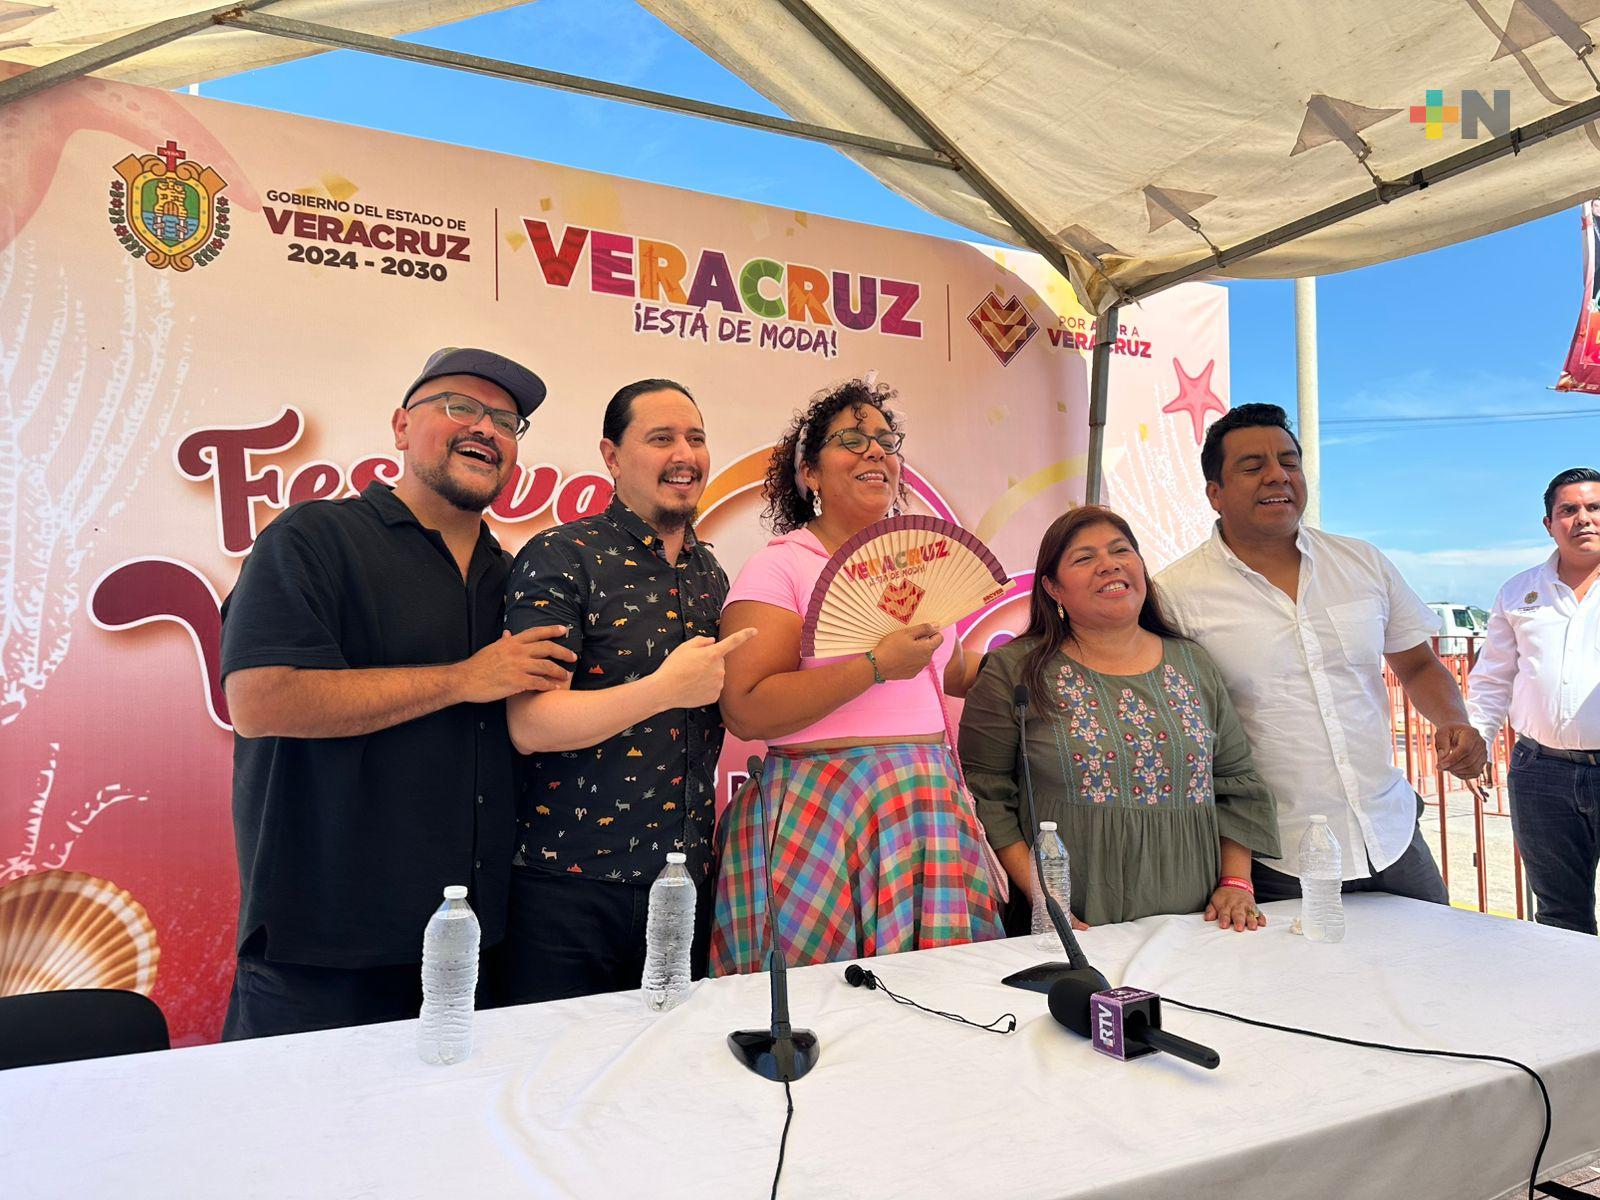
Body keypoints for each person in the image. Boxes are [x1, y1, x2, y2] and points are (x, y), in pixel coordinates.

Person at [219, 347, 575, 1039]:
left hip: (473, 952)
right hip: (322, 957)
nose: (485, 427)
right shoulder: (314, 539)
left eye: (505, 420)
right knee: (295, 1145)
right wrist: (466, 679)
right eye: (458, 407)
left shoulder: (521, 580)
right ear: (400, 427)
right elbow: (261, 701)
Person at [712, 377, 1006, 975]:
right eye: (850, 439)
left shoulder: (919, 561)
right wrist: (873, 667)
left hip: (926, 807)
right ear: (809, 474)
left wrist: (1032, 660)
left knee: (946, 1006)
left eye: (885, 439)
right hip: (824, 813)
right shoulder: (781, 566)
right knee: (824, 1016)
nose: (876, 451)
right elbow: (744, 707)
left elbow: (943, 671)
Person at [1156, 403, 1486, 905]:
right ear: (1214, 494)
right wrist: (1233, 874)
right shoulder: (1174, 595)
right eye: (1253, 466)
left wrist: (1453, 722)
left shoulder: (1361, 562)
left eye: (1289, 461)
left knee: (1442, 975)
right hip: (1275, 858)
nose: (1277, 476)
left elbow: (1417, 664)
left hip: (1391, 836)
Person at [502, 379, 750, 1003]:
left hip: (684, 884)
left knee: (667, 1083)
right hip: (569, 887)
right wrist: (664, 688)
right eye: (661, 438)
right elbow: (531, 724)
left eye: (696, 438)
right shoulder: (562, 556)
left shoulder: (710, 573)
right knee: (552, 1085)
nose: (685, 455)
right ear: (611, 456)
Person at [959, 506, 1280, 931]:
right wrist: (1045, 902)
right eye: (1084, 558)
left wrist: (1237, 883)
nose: (1108, 564)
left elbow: (1236, 781)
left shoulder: (1193, 662)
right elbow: (986, 796)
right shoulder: (1013, 670)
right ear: (1052, 587)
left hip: (1200, 925)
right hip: (1073, 926)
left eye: (1121, 550)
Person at [1466, 467, 1600, 933]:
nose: (1583, 518)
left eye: (1594, 507)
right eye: (1569, 510)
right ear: (1549, 523)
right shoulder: (1517, 593)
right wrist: (1476, 742)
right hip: (1540, 773)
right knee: (1560, 915)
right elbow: (1492, 678)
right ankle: (1567, 1006)